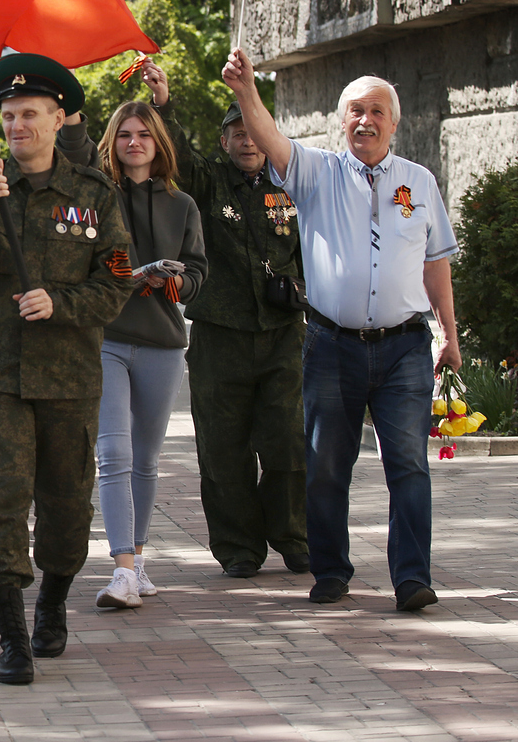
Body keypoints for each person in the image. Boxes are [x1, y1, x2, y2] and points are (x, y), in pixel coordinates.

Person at [221, 49, 459, 611]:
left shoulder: (418, 183)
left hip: (404, 347)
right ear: (341, 120)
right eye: (354, 111)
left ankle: (411, 579)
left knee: (409, 465)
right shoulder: (316, 173)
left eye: (376, 111)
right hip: (331, 346)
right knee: (326, 465)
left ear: (394, 124)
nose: (365, 120)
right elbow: (271, 139)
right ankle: (330, 571)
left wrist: (449, 332)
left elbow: (436, 263)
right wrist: (245, 91)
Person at [0, 54, 132, 685]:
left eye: (30, 115)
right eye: (9, 115)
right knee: (0, 504)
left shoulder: (94, 194)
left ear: (58, 118)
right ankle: (11, 637)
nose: (17, 126)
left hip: (69, 378)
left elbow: (119, 278)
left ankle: (52, 601)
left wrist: (61, 302)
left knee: (68, 505)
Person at [129, 61, 309, 579]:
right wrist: (164, 105)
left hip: (280, 334)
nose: (248, 140)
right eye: (237, 132)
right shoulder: (208, 181)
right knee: (223, 446)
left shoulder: (293, 184)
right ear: (224, 140)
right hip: (220, 336)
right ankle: (238, 548)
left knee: (287, 442)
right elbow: (179, 154)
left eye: (255, 130)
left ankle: (294, 536)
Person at [58, 100, 207, 608]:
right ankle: (121, 567)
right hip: (107, 338)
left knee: (145, 458)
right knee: (113, 453)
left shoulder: (182, 204)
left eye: (144, 134)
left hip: (163, 343)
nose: (134, 142)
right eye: (124, 135)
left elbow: (197, 274)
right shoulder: (98, 195)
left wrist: (177, 282)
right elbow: (72, 152)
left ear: (158, 143)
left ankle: (138, 561)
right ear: (112, 143)